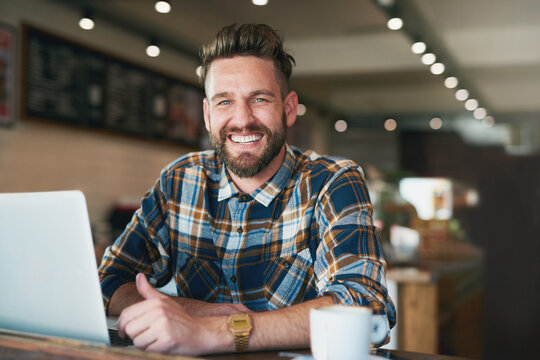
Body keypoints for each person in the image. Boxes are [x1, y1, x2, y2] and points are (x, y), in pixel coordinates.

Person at [98, 23, 396, 356]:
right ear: (208, 115)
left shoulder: (332, 182)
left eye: (259, 98)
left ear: (288, 108)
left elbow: (365, 308)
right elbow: (108, 281)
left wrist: (213, 331)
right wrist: (196, 311)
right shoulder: (180, 181)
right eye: (224, 102)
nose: (242, 119)